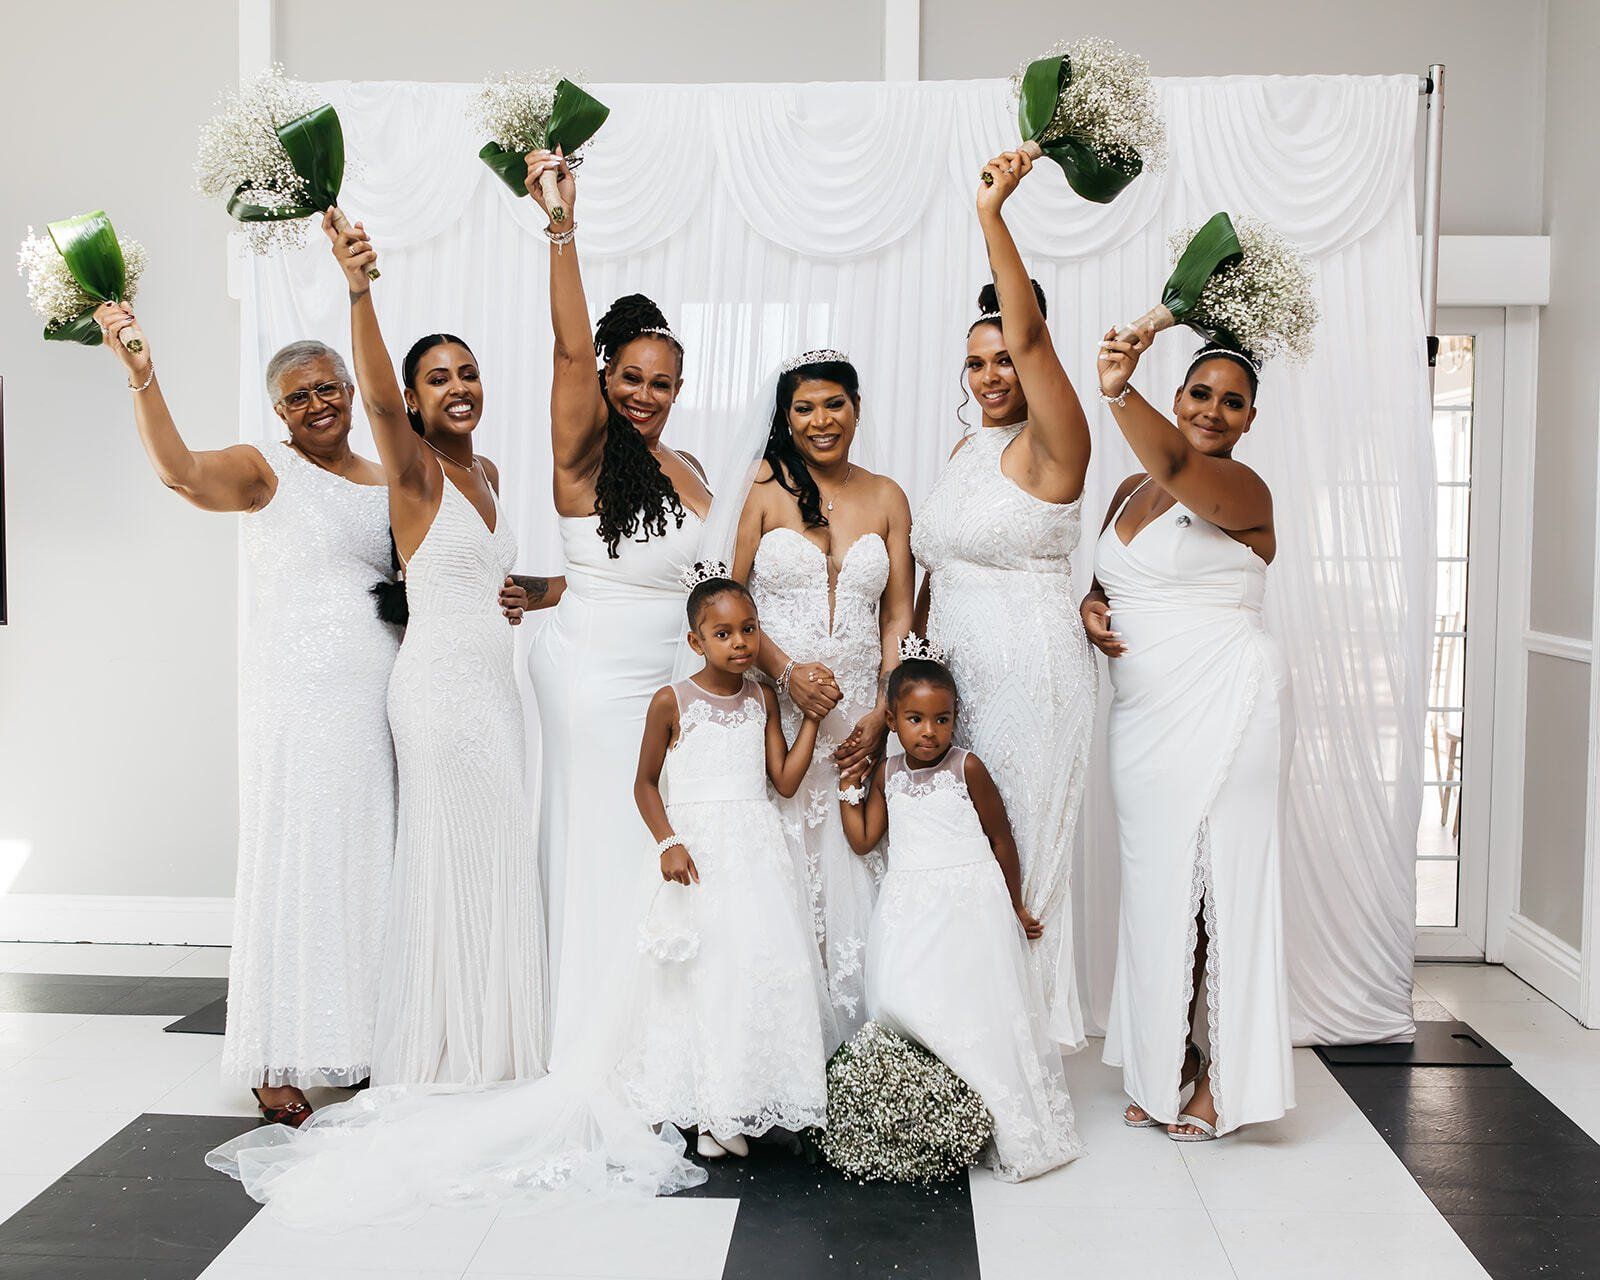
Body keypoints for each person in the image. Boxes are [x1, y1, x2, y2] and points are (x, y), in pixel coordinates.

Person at [94, 301, 398, 1126]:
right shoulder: (266, 470)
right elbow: (180, 472)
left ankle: (355, 1041)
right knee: (296, 860)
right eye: (298, 397)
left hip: (377, 695)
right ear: (279, 412)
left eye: (327, 388)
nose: (317, 404)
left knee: (365, 860)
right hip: (297, 699)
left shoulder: (386, 476)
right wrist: (143, 377)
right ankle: (271, 1057)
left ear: (350, 390)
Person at [324, 214, 546, 1086]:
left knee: (496, 853)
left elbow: (490, 575)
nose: (459, 387)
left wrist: (533, 591)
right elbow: (375, 403)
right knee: (451, 857)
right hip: (439, 698)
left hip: (495, 693)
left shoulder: (488, 474)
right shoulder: (414, 468)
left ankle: (495, 1038)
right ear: (413, 401)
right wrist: (359, 290)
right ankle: (449, 1050)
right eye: (438, 378)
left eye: (469, 372)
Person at [519, 149, 710, 1063]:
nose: (643, 394)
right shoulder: (585, 451)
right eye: (629, 376)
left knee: (661, 846)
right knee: (606, 843)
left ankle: (660, 1039)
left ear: (680, 389)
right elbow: (567, 347)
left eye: (660, 382)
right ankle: (594, 1046)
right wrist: (563, 227)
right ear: (604, 376)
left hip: (671, 683)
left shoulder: (688, 465)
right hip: (596, 679)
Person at [1088, 327, 1295, 1141]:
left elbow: (1177, 465)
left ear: (1250, 420)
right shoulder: (1127, 491)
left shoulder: (1243, 490)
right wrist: (1090, 607)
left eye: (1232, 402)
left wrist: (1116, 387)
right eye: (1200, 393)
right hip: (1142, 718)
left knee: (1223, 884)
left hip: (1229, 699)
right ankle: (1162, 1058)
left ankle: (1226, 1080)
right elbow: (1106, 582)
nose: (1212, 410)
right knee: (1157, 884)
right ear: (1177, 398)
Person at [910, 149, 1096, 1047]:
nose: (991, 376)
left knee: (1013, 844)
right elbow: (934, 567)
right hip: (955, 674)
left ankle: (1021, 1048)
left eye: (1006, 359)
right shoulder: (966, 453)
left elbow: (1032, 341)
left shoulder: (1056, 445)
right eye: (975, 363)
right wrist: (908, 667)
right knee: (958, 845)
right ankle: (963, 1036)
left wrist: (992, 216)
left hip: (1029, 673)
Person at [839, 638, 1083, 1180]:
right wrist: (848, 790)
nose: (929, 731)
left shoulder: (966, 767)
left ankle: (995, 1115)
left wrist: (1014, 905)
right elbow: (864, 839)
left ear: (955, 718)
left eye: (941, 719)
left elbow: (1001, 839)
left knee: (972, 1003)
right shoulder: (887, 774)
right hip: (909, 905)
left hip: (971, 901)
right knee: (905, 995)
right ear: (893, 721)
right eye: (915, 719)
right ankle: (939, 1109)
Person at [733, 349, 914, 1041]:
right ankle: (783, 1040)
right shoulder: (763, 488)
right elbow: (727, 602)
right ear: (785, 417)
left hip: (860, 721)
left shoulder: (888, 496)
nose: (820, 420)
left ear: (857, 407)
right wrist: (785, 674)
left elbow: (897, 617)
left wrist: (884, 712)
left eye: (834, 404)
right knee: (780, 871)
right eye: (803, 408)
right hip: (779, 713)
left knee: (856, 862)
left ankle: (860, 1043)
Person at [625, 566, 835, 1158]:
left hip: (755, 850)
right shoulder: (672, 701)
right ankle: (706, 1109)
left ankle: (741, 1099)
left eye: (749, 629)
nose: (740, 643)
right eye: (723, 634)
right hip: (698, 853)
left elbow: (784, 781)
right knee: (705, 973)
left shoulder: (762, 697)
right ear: (696, 641)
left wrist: (812, 718)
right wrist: (668, 841)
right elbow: (644, 783)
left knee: (752, 968)